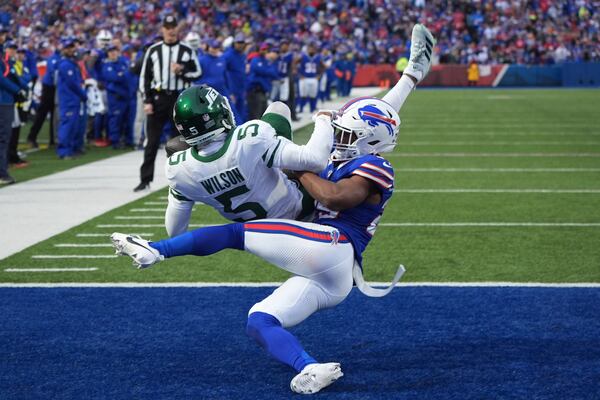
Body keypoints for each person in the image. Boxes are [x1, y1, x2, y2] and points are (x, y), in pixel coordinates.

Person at [111, 23, 434, 396]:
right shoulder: (354, 148)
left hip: (334, 244)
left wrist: (295, 169)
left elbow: (333, 197)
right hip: (330, 273)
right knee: (259, 320)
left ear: (367, 140)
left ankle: (156, 251)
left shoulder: (375, 166)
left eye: (346, 133)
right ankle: (310, 367)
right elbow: (374, 116)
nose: (339, 136)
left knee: (236, 234)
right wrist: (410, 76)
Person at [134, 14, 202, 192]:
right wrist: (147, 100)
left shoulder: (187, 50)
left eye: (173, 27)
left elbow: (197, 73)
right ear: (162, 29)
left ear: (177, 29)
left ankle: (185, 181)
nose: (171, 30)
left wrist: (182, 70)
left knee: (182, 140)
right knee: (152, 141)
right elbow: (145, 78)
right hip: (158, 99)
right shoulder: (153, 50)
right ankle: (145, 179)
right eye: (167, 27)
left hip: (179, 99)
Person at [0, 29, 27, 185]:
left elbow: (10, 75)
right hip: (2, 100)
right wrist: (17, 90)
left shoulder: (3, 55)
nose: (3, 38)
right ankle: (2, 173)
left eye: (3, 35)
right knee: (3, 138)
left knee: (4, 138)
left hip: (5, 98)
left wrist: (21, 88)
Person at [56, 37, 87, 159]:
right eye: (68, 47)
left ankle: (70, 149)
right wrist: (82, 95)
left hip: (73, 99)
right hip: (68, 99)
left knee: (73, 126)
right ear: (63, 49)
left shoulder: (71, 63)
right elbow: (72, 83)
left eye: (72, 47)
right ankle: (64, 151)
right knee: (67, 125)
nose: (70, 49)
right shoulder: (65, 64)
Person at [27, 46, 60, 148]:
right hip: (50, 88)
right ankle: (32, 137)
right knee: (43, 114)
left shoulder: (56, 58)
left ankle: (52, 139)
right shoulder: (55, 58)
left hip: (53, 87)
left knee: (53, 114)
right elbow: (54, 75)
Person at [101, 44, 130, 149]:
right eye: (110, 51)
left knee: (126, 119)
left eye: (114, 51)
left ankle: (126, 139)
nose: (113, 53)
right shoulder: (107, 65)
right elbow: (113, 78)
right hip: (115, 97)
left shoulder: (123, 62)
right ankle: (115, 141)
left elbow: (127, 76)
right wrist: (122, 75)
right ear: (107, 54)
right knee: (115, 119)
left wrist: (121, 75)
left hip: (125, 96)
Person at [245, 43, 279, 121]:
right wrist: (266, 71)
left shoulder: (266, 60)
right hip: (254, 91)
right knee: (255, 116)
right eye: (263, 49)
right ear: (259, 50)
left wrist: (264, 71)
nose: (265, 51)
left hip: (263, 91)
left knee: (263, 115)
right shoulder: (255, 59)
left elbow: (274, 73)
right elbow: (256, 69)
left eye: (266, 49)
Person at [223, 33, 248, 123]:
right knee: (233, 113)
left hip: (241, 88)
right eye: (238, 42)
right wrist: (229, 91)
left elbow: (242, 72)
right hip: (232, 89)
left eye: (242, 42)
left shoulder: (243, 55)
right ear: (234, 43)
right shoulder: (227, 56)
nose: (240, 45)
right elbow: (223, 73)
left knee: (242, 111)